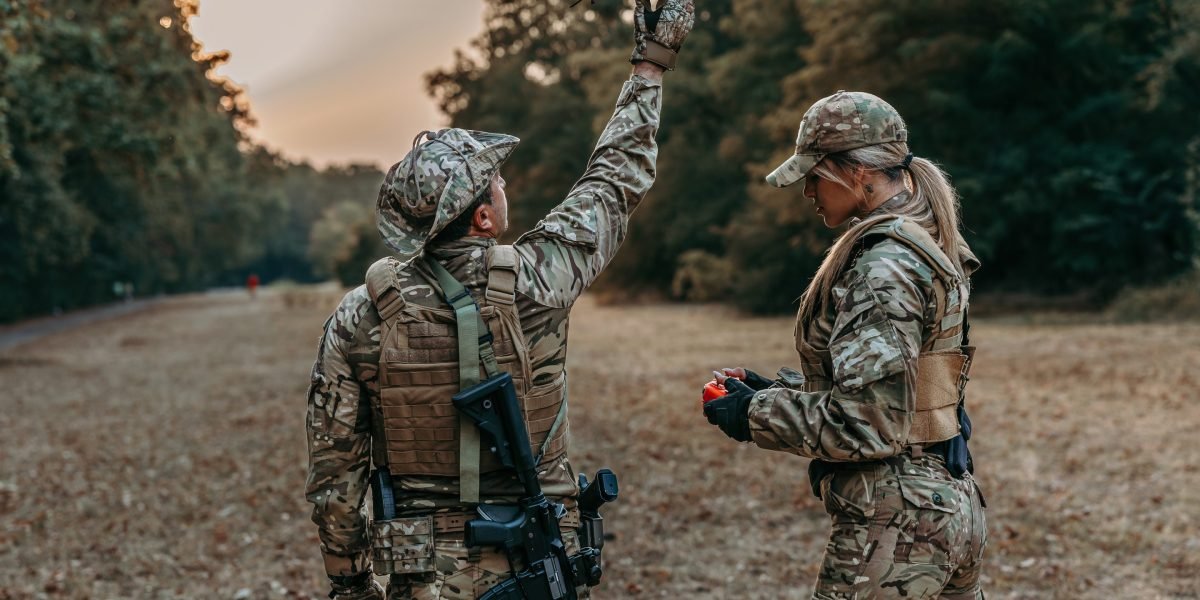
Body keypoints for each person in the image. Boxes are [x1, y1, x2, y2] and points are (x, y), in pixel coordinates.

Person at [304, 2, 695, 599]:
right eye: (497, 181)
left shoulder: (361, 313)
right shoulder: (539, 280)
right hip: (532, 565)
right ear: (484, 217)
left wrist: (349, 582)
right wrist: (650, 67)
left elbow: (334, 471)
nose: (505, 182)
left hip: (420, 575)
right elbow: (614, 182)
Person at [702, 91, 988, 599]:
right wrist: (780, 392)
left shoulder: (884, 267)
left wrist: (753, 414)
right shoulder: (926, 240)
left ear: (858, 172)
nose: (808, 192)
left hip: (898, 525)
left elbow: (869, 426)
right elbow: (904, 393)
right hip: (949, 506)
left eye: (814, 176)